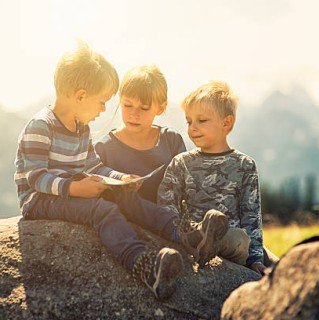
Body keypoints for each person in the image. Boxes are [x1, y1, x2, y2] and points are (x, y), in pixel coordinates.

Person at [14, 43, 225, 300]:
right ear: (80, 96)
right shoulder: (41, 126)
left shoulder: (81, 129)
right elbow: (34, 177)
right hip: (40, 201)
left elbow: (92, 165)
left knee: (125, 198)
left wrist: (120, 178)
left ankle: (189, 235)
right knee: (101, 211)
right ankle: (144, 266)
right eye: (101, 102)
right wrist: (75, 188)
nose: (103, 110)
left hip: (70, 191)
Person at [158, 81, 277, 275]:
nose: (192, 128)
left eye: (201, 121)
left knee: (239, 238)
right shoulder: (181, 163)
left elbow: (251, 216)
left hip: (233, 243)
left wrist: (255, 260)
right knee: (196, 233)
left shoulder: (245, 165)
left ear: (226, 123)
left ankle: (212, 242)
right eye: (189, 121)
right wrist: (181, 234)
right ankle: (203, 241)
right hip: (193, 237)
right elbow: (166, 204)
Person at [95, 65, 186, 203]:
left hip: (169, 216)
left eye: (144, 108)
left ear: (161, 108)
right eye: (127, 105)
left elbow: (185, 186)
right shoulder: (103, 148)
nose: (134, 114)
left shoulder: (171, 141)